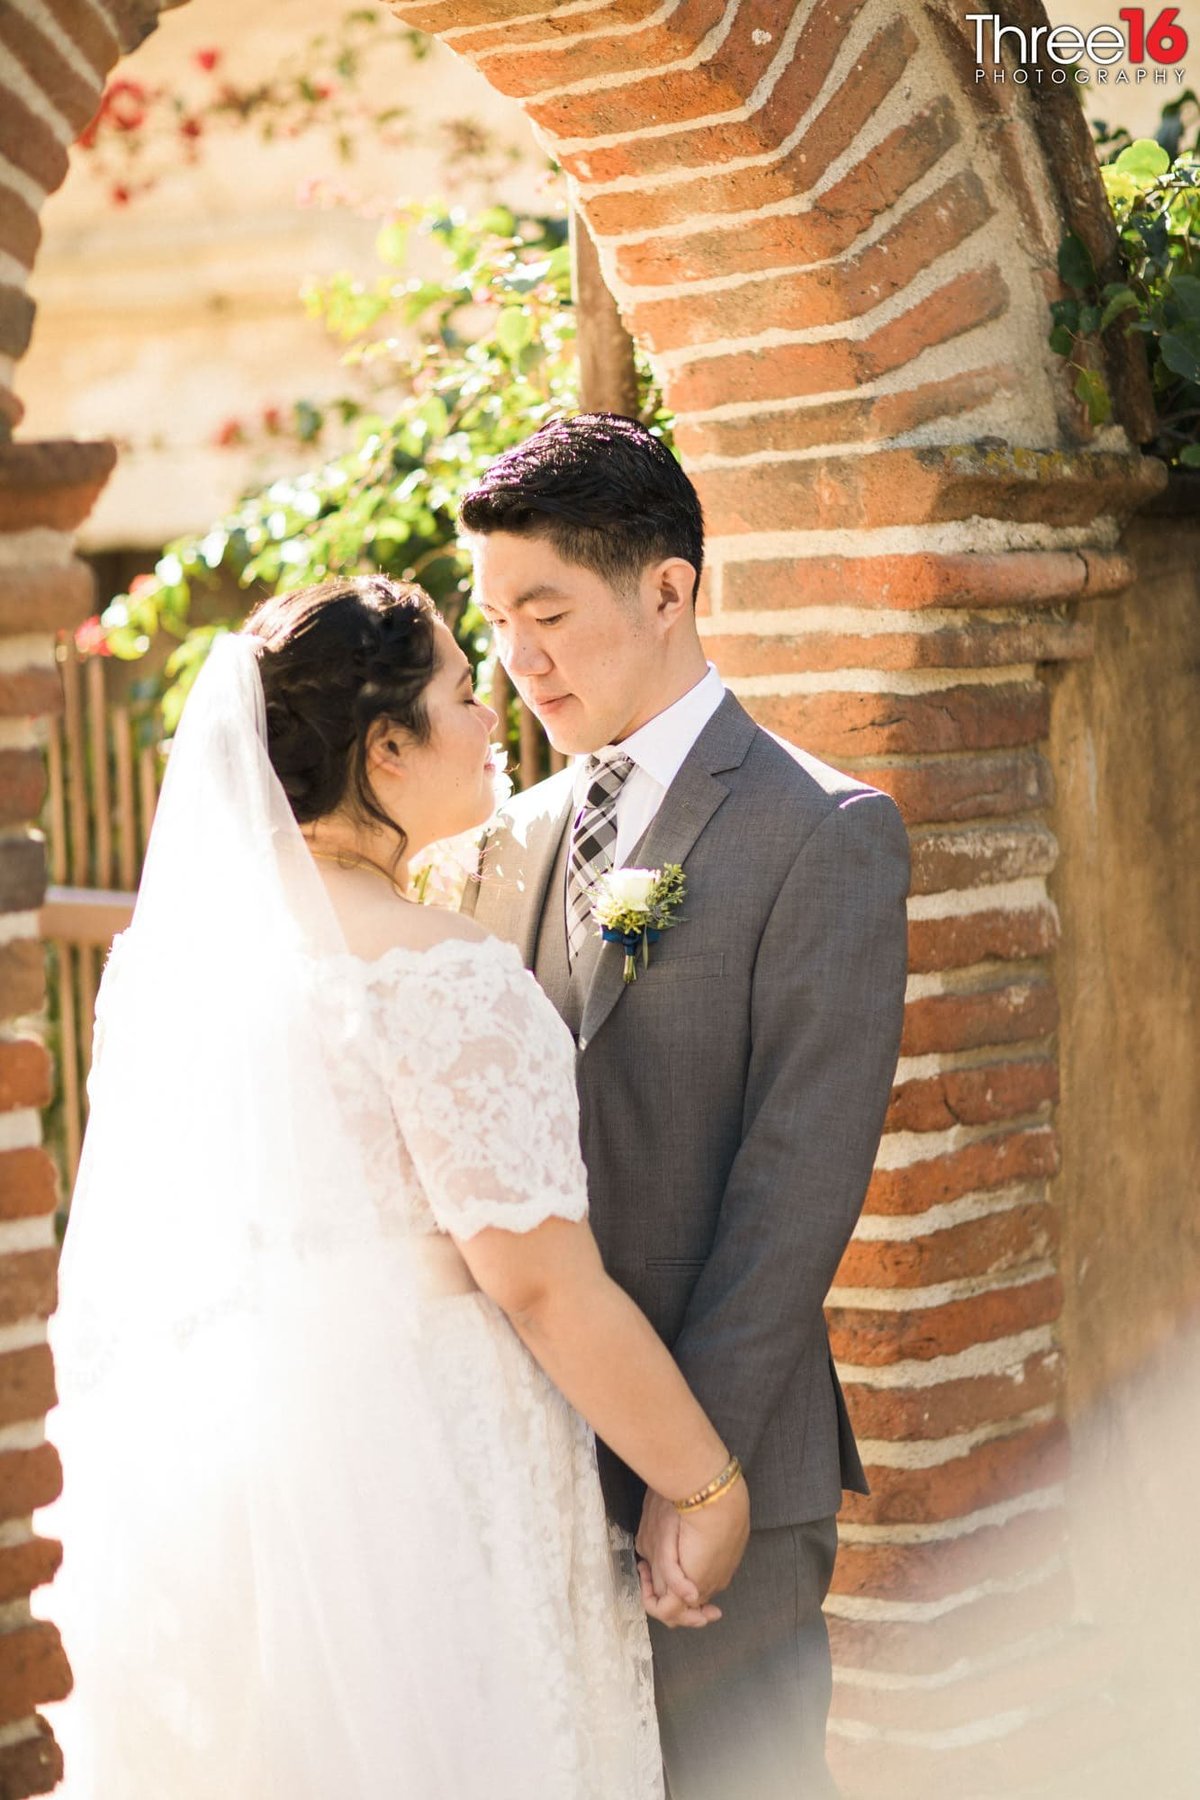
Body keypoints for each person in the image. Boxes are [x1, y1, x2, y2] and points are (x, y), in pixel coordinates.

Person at [37, 576, 749, 1800]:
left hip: (239, 1450)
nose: (491, 722)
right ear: (386, 749)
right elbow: (540, 1287)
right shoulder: (445, 975)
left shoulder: (173, 969)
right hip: (430, 1457)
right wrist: (707, 1487)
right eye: (464, 695)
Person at [460, 414, 910, 1800]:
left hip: (730, 1473)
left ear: (669, 589)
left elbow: (797, 1186)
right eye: (495, 621)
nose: (519, 661)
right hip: (524, 1461)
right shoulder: (508, 839)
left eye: (549, 613)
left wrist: (692, 1469)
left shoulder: (823, 832)